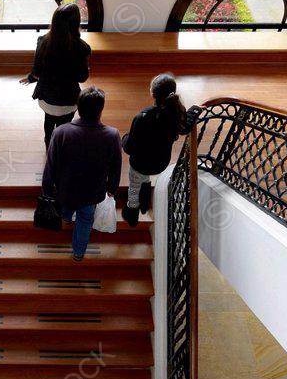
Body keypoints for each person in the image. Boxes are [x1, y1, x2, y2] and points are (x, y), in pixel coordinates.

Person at [41, 87, 122, 262]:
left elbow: (51, 165)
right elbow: (116, 166)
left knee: (67, 206)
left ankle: (66, 217)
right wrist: (112, 187)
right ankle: (78, 252)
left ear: (78, 107)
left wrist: (47, 188)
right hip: (92, 191)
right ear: (101, 109)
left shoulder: (61, 132)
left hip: (65, 188)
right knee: (86, 220)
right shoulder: (112, 135)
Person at [121, 73, 198, 226]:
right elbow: (185, 127)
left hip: (140, 164)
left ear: (152, 93)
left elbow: (129, 147)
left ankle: (132, 212)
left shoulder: (142, 117)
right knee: (143, 178)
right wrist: (194, 111)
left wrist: (124, 138)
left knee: (134, 186)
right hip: (160, 162)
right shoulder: (176, 113)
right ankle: (145, 201)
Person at [19, 3, 92, 146]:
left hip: (46, 99)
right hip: (69, 100)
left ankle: (48, 144)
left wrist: (29, 78)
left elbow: (37, 71)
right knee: (64, 127)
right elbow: (82, 77)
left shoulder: (42, 42)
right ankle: (60, 147)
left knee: (48, 120)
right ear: (76, 23)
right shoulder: (82, 47)